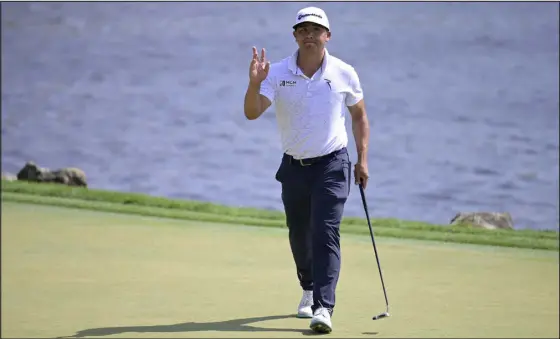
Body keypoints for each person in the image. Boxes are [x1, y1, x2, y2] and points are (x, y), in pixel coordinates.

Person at [243, 6, 370, 334]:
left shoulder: (344, 72)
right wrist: (254, 84)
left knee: (325, 230)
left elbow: (358, 115)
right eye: (303, 30)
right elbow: (252, 113)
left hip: (333, 163)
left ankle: (324, 307)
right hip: (294, 167)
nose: (309, 35)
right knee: (299, 232)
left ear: (327, 36)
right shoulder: (277, 72)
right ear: (295, 36)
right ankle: (308, 286)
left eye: (316, 30)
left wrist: (363, 159)